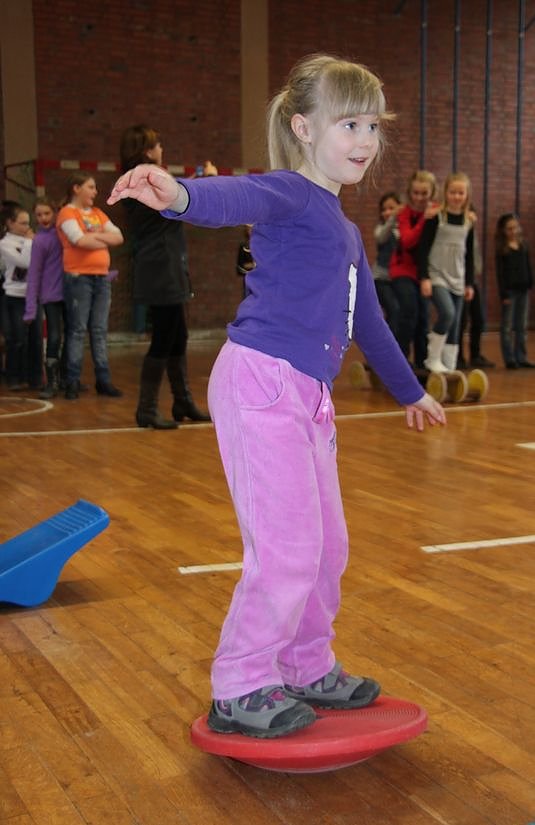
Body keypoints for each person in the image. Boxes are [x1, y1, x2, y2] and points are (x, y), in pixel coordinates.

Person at [108, 53, 446, 740]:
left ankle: (305, 664)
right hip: (261, 383)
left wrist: (410, 389)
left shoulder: (345, 231)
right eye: (348, 124)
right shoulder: (291, 193)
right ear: (302, 127)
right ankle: (239, 684)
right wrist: (178, 196)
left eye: (372, 126)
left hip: (309, 397)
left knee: (327, 547)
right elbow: (240, 196)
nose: (364, 140)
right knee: (287, 548)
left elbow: (368, 321)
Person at [119, 124, 211, 428]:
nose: (162, 149)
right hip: (160, 266)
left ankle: (182, 401)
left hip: (165, 263)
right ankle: (146, 409)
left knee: (178, 335)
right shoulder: (146, 178)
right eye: (157, 145)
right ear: (147, 150)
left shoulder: (143, 178)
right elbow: (177, 198)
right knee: (163, 337)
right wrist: (206, 180)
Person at [57, 172, 124, 399]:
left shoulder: (97, 213)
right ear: (76, 189)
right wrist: (102, 237)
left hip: (101, 278)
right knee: (77, 330)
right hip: (79, 278)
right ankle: (72, 381)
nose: (95, 192)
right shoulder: (67, 213)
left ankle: (103, 380)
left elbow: (119, 237)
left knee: (99, 330)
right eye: (90, 187)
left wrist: (94, 237)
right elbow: (79, 240)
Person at [418, 172, 475, 372]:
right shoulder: (436, 217)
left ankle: (449, 366)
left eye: (461, 193)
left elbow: (469, 255)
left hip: (458, 277)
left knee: (456, 324)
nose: (457, 196)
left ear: (466, 195)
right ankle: (432, 358)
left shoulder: (469, 221)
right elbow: (423, 248)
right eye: (453, 192)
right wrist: (424, 277)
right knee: (447, 313)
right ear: (446, 193)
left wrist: (469, 283)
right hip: (437, 275)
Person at [389, 170, 440, 369]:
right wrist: (423, 220)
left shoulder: (436, 211)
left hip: (423, 272)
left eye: (424, 193)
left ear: (432, 193)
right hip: (402, 270)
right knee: (409, 311)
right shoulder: (404, 213)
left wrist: (469, 214)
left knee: (424, 317)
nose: (419, 198)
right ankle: (400, 360)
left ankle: (422, 361)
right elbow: (408, 241)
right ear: (410, 193)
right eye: (415, 193)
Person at [24, 197, 66, 398]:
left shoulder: (63, 234)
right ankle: (51, 382)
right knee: (54, 336)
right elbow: (34, 274)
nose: (43, 218)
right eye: (39, 214)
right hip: (50, 296)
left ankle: (66, 378)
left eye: (47, 213)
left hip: (70, 292)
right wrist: (30, 309)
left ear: (55, 213)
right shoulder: (39, 241)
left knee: (72, 335)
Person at [0, 202, 42, 390]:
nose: (27, 227)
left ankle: (34, 378)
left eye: (28, 223)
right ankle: (14, 377)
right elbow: (24, 262)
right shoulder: (4, 244)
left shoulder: (30, 240)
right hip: (15, 296)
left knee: (35, 338)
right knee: (17, 338)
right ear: (10, 223)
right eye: (23, 223)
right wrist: (30, 242)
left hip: (33, 295)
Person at [495, 213, 534, 369]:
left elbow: (527, 265)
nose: (513, 231)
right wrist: (503, 293)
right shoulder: (502, 249)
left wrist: (530, 281)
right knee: (507, 326)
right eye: (509, 228)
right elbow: (500, 273)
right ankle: (509, 358)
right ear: (503, 231)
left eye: (515, 227)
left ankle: (521, 356)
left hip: (523, 289)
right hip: (510, 292)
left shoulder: (523, 245)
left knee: (521, 325)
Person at [457, 214, 495, 369]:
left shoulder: (471, 230)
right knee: (461, 321)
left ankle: (475, 354)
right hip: (458, 279)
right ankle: (458, 357)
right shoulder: (455, 229)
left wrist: (472, 277)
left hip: (471, 279)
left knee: (478, 318)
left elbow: (473, 257)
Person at [372, 191, 401, 337]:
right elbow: (381, 237)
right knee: (393, 310)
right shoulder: (381, 229)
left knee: (401, 313)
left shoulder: (403, 228)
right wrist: (393, 218)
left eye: (391, 208)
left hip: (398, 278)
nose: (387, 212)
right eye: (384, 209)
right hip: (381, 278)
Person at [236, 224, 255, 300]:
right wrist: (255, 265)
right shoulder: (244, 247)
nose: (251, 231)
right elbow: (240, 268)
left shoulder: (264, 246)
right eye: (249, 229)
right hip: (249, 281)